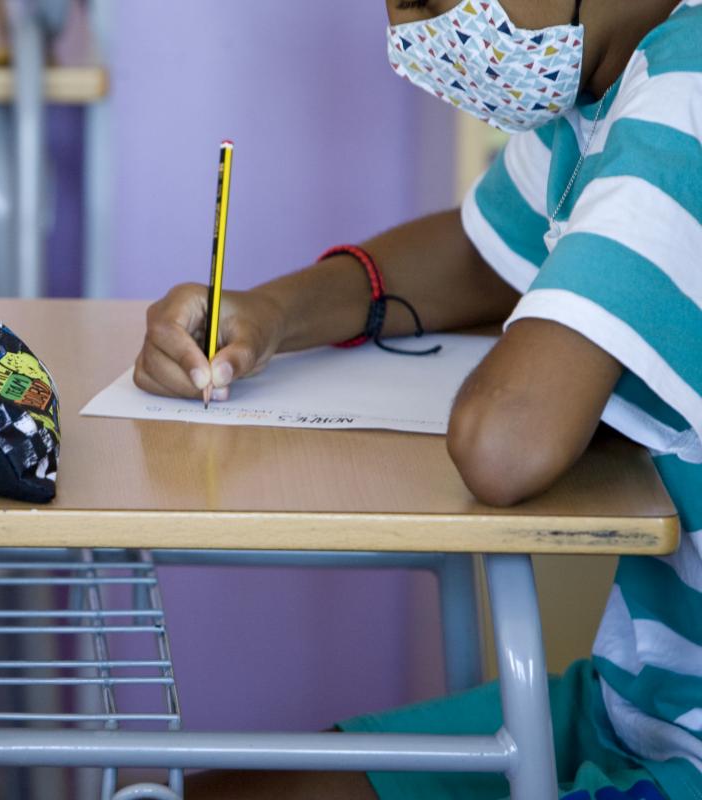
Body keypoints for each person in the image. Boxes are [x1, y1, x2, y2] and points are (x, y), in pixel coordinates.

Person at [135, 0, 702, 797]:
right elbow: (481, 254)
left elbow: (506, 443)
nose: (413, 30)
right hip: (632, 703)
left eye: (434, 0)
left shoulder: (689, 84)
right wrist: (267, 315)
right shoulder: (606, 84)